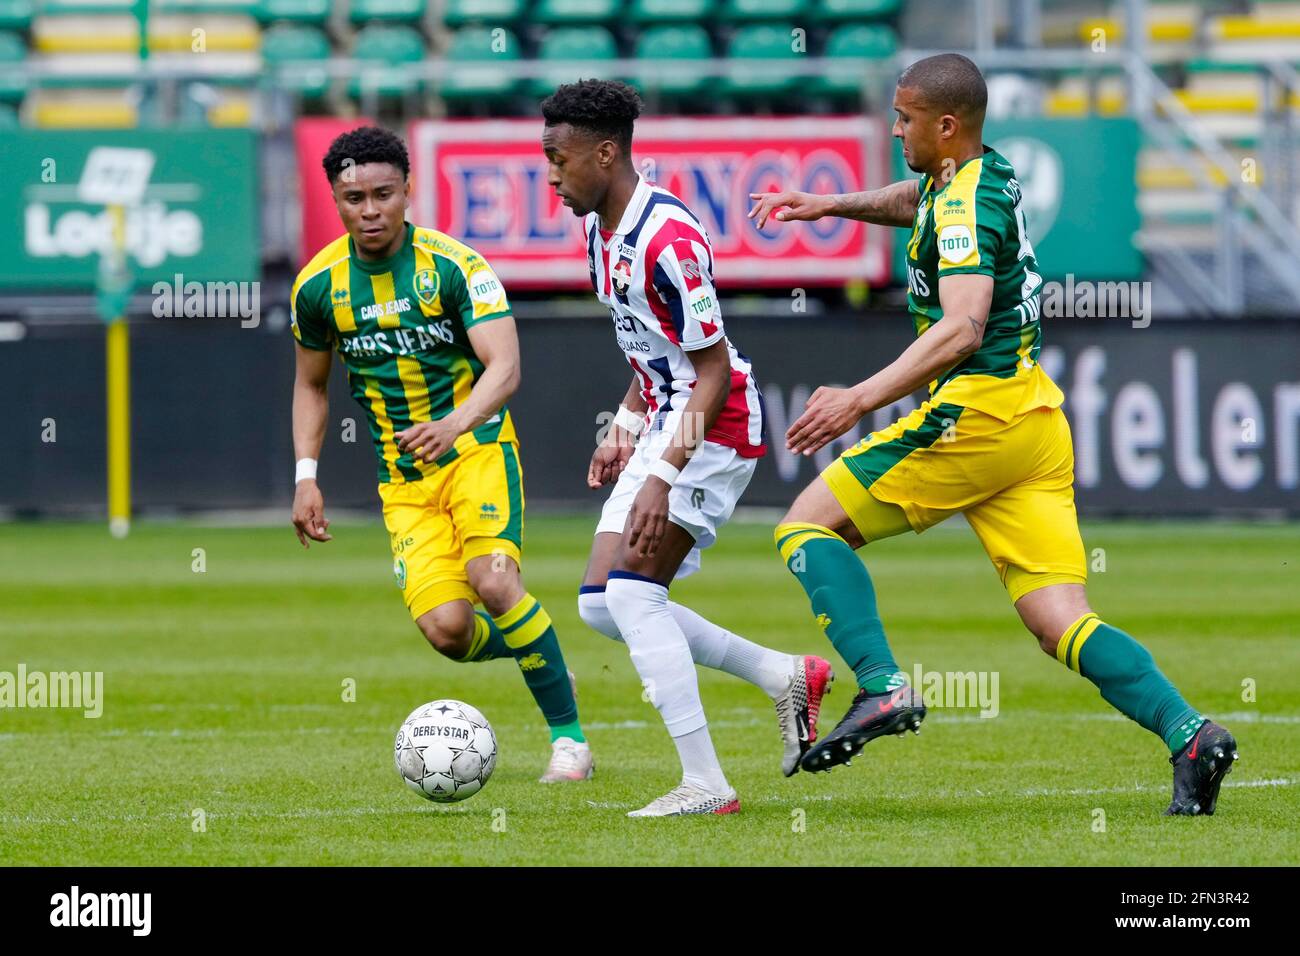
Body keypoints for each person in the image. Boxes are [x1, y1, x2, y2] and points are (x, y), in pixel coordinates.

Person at [749, 54, 1238, 815]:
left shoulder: (967, 204)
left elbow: (962, 325)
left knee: (805, 527)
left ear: (946, 125)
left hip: (976, 415)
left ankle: (880, 688)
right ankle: (1191, 734)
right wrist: (829, 204)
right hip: (1034, 422)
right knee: (1058, 619)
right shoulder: (980, 172)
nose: (894, 127)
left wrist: (861, 399)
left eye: (906, 118)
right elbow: (919, 195)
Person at [542, 79, 833, 817]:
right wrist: (626, 426)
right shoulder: (597, 227)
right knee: (600, 605)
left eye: (559, 159)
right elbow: (653, 354)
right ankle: (781, 676)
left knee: (635, 594)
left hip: (715, 424)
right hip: (667, 418)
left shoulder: (668, 241)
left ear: (606, 154)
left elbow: (709, 373)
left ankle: (706, 783)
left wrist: (660, 475)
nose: (551, 175)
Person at [290, 125, 592, 784]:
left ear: (407, 190)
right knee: (449, 633)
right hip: (403, 483)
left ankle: (570, 744)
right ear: (336, 200)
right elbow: (311, 386)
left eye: (382, 194)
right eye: (353, 198)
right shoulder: (318, 288)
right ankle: (531, 647)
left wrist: (455, 424)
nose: (369, 210)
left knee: (493, 581)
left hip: (476, 451)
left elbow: (505, 366)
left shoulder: (456, 267)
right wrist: (306, 477)